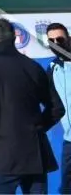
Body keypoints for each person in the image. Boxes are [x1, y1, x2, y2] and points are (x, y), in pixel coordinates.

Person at [0, 17, 65, 194]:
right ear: (14, 38)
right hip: (35, 155)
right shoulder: (32, 66)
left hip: (3, 156)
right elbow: (57, 108)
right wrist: (38, 127)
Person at [46, 22, 71, 194]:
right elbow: (52, 105)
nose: (56, 44)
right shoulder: (52, 68)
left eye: (60, 39)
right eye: (52, 41)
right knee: (67, 187)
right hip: (69, 140)